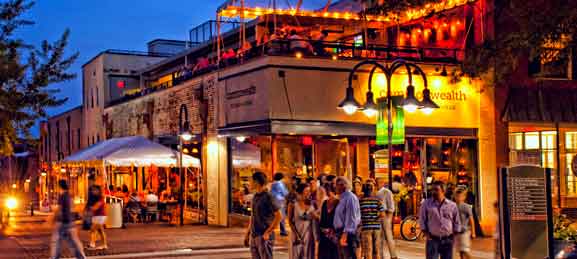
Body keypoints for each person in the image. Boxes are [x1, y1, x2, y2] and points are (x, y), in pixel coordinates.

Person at [244, 172, 282, 259]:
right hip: (254, 236)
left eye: (251, 181)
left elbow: (279, 216)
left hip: (264, 236)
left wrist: (268, 232)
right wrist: (247, 234)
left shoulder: (269, 196)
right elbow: (252, 216)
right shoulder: (255, 197)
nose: (249, 183)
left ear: (256, 182)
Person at [419, 181, 461, 259]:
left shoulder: (452, 205)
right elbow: (422, 220)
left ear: (443, 191)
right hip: (432, 240)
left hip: (448, 241)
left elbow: (457, 222)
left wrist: (454, 238)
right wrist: (427, 234)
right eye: (432, 190)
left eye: (436, 190)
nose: (433, 192)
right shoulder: (426, 204)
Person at [49, 180, 86, 259]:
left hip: (62, 222)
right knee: (73, 242)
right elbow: (73, 209)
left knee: (56, 242)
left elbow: (59, 209)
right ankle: (81, 257)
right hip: (70, 222)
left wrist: (51, 219)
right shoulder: (70, 195)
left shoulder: (62, 195)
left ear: (59, 186)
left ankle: (54, 257)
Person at [333, 176, 361, 259]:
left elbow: (351, 218)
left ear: (342, 186)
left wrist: (344, 236)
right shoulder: (343, 197)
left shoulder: (350, 198)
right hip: (341, 233)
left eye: (336, 185)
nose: (335, 187)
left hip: (347, 235)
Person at [288, 183, 317, 259]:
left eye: (309, 191)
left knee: (308, 255)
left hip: (308, 234)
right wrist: (296, 235)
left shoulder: (313, 204)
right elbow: (290, 221)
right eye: (306, 191)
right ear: (301, 192)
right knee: (296, 255)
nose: (308, 193)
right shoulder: (293, 204)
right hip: (297, 233)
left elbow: (317, 217)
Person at [359, 180, 384, 259]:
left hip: (366, 227)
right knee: (376, 250)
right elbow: (382, 214)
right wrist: (375, 218)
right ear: (372, 190)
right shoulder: (377, 200)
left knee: (368, 250)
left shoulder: (360, 201)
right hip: (376, 227)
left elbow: (358, 215)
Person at [376, 181, 398, 259]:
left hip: (385, 215)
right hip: (378, 217)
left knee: (388, 237)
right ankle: (382, 256)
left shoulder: (386, 192)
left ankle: (393, 255)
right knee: (379, 238)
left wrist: (389, 218)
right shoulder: (375, 193)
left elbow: (391, 207)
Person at [318, 181, 339, 259]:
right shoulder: (324, 203)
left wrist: (332, 232)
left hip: (334, 236)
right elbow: (322, 220)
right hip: (324, 236)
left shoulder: (338, 203)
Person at [454, 188, 476, 259]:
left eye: (460, 196)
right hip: (457, 232)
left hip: (465, 232)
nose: (458, 198)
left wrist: (473, 232)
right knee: (460, 251)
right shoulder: (453, 206)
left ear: (464, 197)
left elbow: (471, 220)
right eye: (457, 196)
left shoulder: (466, 206)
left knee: (465, 250)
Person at [88, 185, 108, 250]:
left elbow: (96, 207)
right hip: (97, 216)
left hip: (100, 216)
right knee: (100, 231)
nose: (93, 191)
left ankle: (92, 244)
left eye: (95, 190)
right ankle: (104, 245)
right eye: (93, 190)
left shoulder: (100, 198)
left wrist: (90, 208)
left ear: (98, 191)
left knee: (92, 229)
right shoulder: (95, 198)